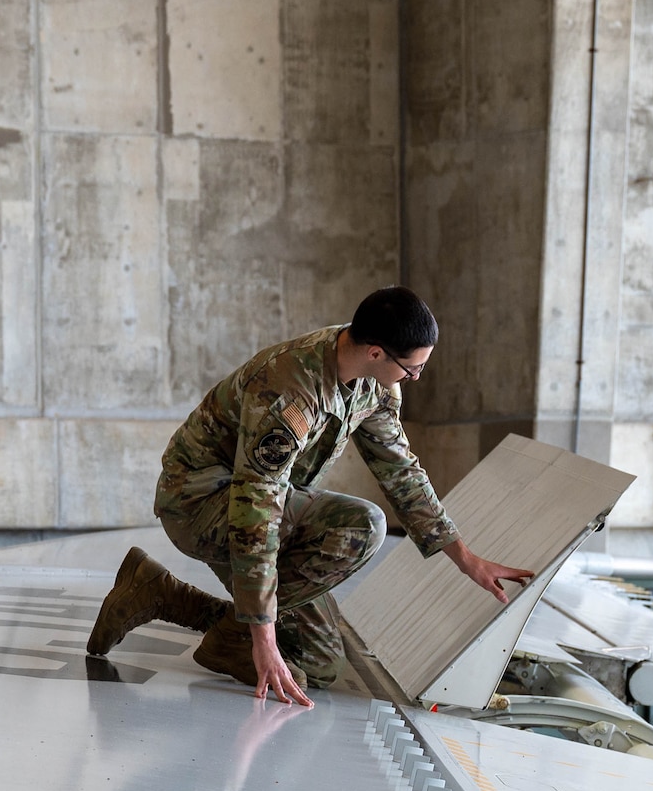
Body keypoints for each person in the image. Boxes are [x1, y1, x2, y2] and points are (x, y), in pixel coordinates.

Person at [87, 287, 532, 706]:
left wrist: (464, 557)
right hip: (201, 504)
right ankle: (235, 637)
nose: (415, 377)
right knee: (362, 527)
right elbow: (255, 508)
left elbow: (400, 470)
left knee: (318, 662)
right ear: (375, 352)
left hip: (265, 502)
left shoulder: (375, 383)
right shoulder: (290, 389)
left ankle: (160, 592)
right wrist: (262, 635)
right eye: (411, 368)